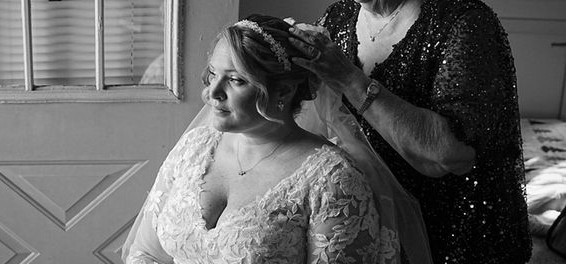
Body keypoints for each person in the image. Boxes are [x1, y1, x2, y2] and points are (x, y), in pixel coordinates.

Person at [286, 0, 531, 263]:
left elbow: (451, 154)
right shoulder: (336, 19)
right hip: (370, 226)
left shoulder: (465, 24)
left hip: (454, 239)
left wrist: (348, 78)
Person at [122, 14, 431, 264]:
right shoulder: (194, 149)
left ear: (283, 91)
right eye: (212, 74)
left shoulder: (332, 180)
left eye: (236, 80)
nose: (213, 93)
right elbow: (146, 253)